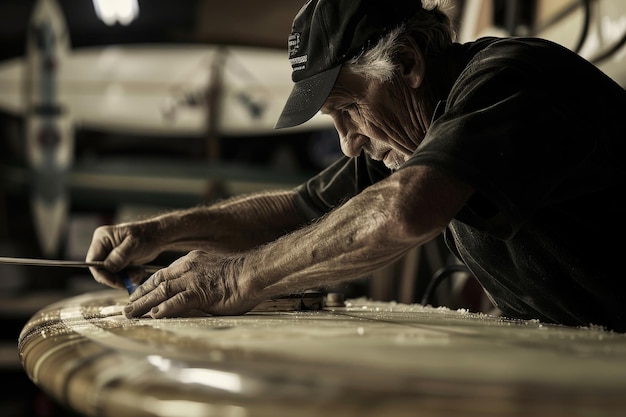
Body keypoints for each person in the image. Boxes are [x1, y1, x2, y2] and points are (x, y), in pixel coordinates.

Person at [86, 0, 626, 332]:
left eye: (347, 108)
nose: (347, 143)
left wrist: (236, 278)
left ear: (409, 63)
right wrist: (159, 233)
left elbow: (406, 210)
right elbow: (293, 211)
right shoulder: (413, 130)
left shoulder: (508, 81)